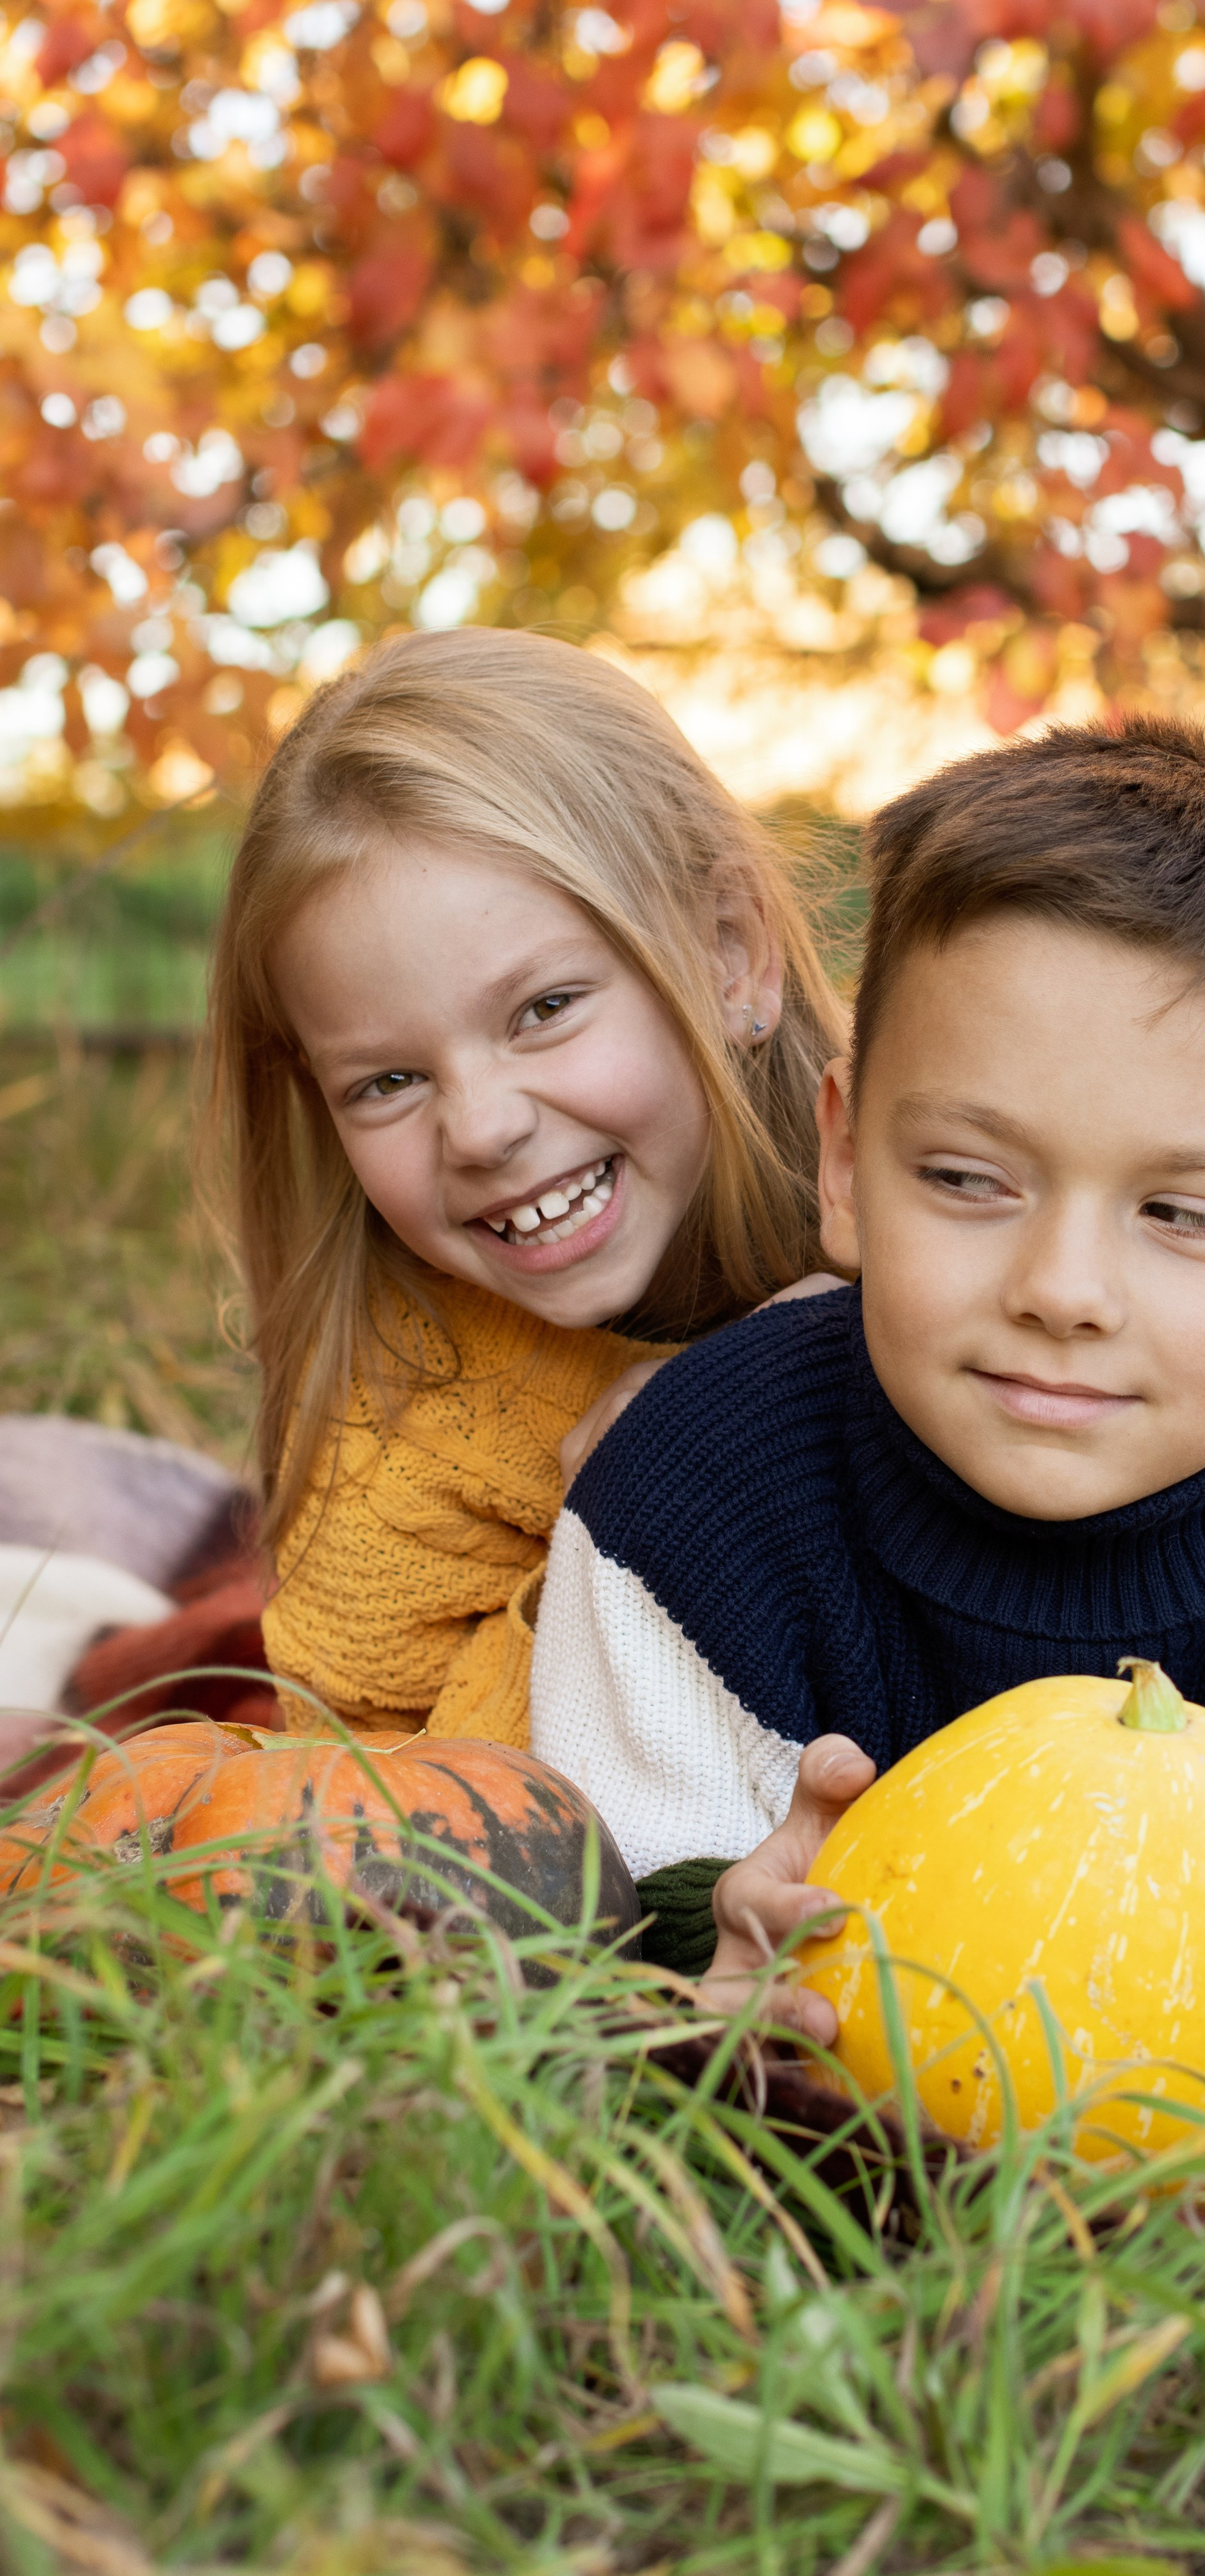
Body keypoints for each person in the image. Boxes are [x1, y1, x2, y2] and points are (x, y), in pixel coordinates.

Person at [532, 714, 1205, 2132]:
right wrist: (698, 1960)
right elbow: (607, 1906)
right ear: (843, 1163)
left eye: (1184, 1215)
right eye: (968, 1179)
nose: (1062, 1290)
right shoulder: (697, 1497)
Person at [207, 626, 845, 1755]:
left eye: (544, 1010)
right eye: (388, 1082)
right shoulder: (400, 1428)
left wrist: (812, 1362)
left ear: (730, 951)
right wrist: (628, 1528)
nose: (483, 1128)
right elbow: (394, 1809)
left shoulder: (970, 1196)